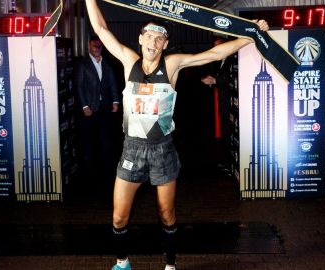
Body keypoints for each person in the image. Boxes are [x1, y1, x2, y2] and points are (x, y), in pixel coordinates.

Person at [84, 1, 269, 269]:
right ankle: (122, 262)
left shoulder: (172, 65)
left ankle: (170, 265)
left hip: (162, 150)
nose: (153, 42)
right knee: (118, 218)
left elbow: (212, 56)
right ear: (140, 39)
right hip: (132, 149)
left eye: (159, 39)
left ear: (165, 44)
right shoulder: (128, 61)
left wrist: (249, 36)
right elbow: (101, 28)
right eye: (149, 36)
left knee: (166, 213)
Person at [75, 35, 120, 180]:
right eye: (95, 46)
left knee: (106, 138)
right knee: (89, 139)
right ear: (89, 47)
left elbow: (113, 83)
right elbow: (80, 86)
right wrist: (85, 106)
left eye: (100, 46)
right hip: (90, 108)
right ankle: (89, 170)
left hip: (105, 107)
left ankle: (106, 169)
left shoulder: (106, 64)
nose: (97, 49)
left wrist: (115, 102)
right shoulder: (83, 64)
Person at [200, 36, 237, 175]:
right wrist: (210, 81)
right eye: (215, 47)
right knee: (223, 132)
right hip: (221, 102)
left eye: (220, 46)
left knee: (228, 132)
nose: (217, 49)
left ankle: (229, 163)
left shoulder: (232, 60)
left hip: (230, 104)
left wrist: (215, 80)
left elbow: (231, 79)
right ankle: (226, 161)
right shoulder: (218, 61)